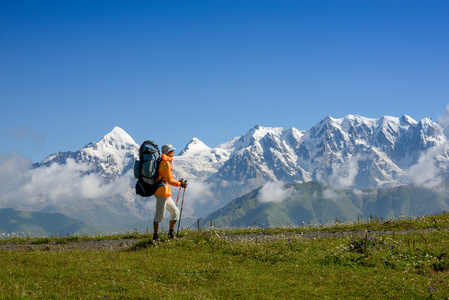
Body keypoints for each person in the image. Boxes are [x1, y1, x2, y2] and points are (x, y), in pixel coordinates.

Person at [153, 144, 188, 241]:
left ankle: (171, 235)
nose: (173, 152)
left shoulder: (165, 161)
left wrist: (178, 182)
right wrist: (180, 184)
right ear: (167, 152)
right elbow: (169, 179)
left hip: (163, 191)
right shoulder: (165, 162)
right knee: (160, 215)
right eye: (172, 150)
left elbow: (167, 179)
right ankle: (155, 237)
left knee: (175, 212)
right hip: (161, 191)